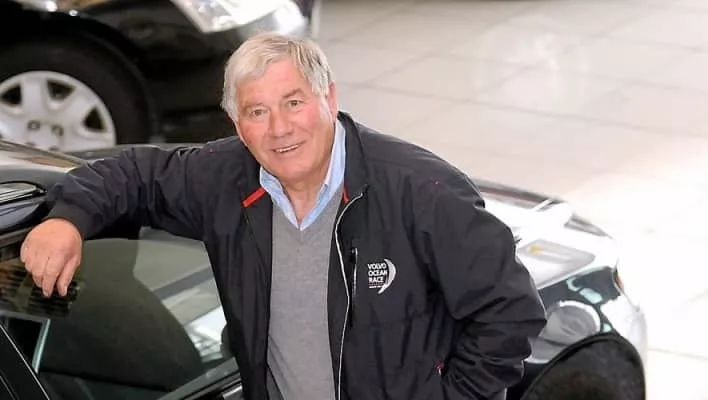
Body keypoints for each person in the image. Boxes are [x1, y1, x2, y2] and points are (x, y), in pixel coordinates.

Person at [20, 32, 547, 400]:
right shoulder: (224, 179)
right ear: (237, 124)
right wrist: (67, 219)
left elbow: (511, 312)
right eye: (257, 111)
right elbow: (132, 174)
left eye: (294, 102)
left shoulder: (421, 190)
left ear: (328, 97)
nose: (279, 129)